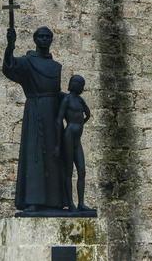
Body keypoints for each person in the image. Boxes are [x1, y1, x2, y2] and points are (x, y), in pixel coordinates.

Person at [2, 25, 65, 211]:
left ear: (51, 39)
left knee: (55, 155)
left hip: (53, 113)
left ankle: (56, 201)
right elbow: (9, 66)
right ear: (35, 40)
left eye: (48, 36)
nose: (45, 39)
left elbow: (56, 91)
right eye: (41, 36)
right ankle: (33, 200)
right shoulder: (28, 62)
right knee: (35, 154)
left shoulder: (56, 66)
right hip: (36, 110)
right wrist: (10, 45)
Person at [56, 74, 92, 212]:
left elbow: (88, 114)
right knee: (69, 171)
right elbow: (59, 120)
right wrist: (58, 145)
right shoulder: (67, 100)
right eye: (80, 84)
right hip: (69, 135)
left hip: (77, 137)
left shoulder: (80, 100)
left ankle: (81, 203)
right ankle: (70, 202)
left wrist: (80, 124)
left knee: (82, 170)